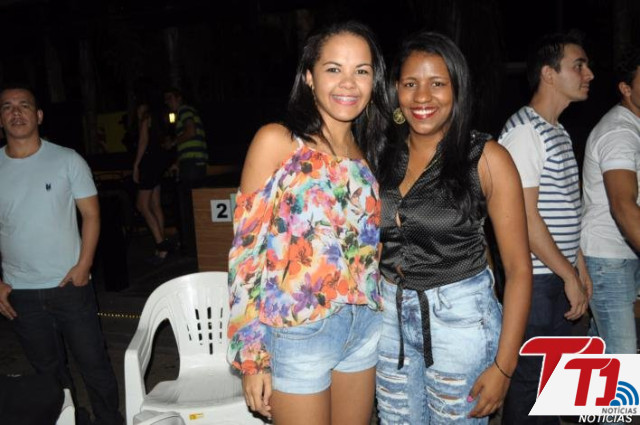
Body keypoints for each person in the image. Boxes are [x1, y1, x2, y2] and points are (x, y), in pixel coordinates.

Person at [227, 21, 389, 425]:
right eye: (334, 69)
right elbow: (245, 255)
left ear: (373, 82)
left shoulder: (370, 154)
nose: (348, 82)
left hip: (363, 325)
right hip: (299, 331)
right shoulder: (278, 142)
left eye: (361, 71)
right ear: (309, 77)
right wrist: (252, 358)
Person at [376, 31, 532, 424]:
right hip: (389, 321)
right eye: (410, 84)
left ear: (457, 89)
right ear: (396, 90)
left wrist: (504, 367)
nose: (422, 97)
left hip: (461, 323)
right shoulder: (381, 154)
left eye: (437, 83)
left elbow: (518, 270)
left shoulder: (488, 158)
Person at [0, 85, 123, 425]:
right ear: (1, 119)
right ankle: (70, 419)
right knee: (48, 373)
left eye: (24, 105)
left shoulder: (68, 159)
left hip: (70, 285)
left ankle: (108, 420)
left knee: (94, 363)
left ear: (38, 115)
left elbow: (92, 215)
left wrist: (84, 265)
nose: (16, 112)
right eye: (7, 106)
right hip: (20, 292)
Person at [498, 32, 594, 424]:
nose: (589, 74)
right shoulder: (525, 131)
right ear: (549, 74)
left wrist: (579, 268)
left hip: (558, 274)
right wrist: (568, 274)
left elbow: (566, 210)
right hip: (536, 279)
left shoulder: (557, 131)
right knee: (530, 381)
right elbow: (525, 217)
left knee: (555, 383)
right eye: (578, 65)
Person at [580, 48, 640, 356]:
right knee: (623, 356)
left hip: (625, 254)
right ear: (626, 89)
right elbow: (623, 206)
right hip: (608, 259)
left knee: (604, 347)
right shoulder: (619, 132)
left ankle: (575, 386)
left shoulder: (633, 128)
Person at [164, 87, 208, 257]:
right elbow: (188, 143)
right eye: (166, 99)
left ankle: (192, 247)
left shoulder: (184, 110)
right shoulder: (187, 112)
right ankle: (196, 244)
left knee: (188, 206)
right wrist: (177, 163)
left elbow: (191, 131)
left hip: (192, 164)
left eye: (170, 98)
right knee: (193, 204)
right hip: (193, 162)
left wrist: (173, 142)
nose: (167, 102)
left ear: (179, 98)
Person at [132, 100, 172, 264]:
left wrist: (136, 165)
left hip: (149, 163)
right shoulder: (159, 119)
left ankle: (161, 245)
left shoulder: (145, 119)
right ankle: (162, 246)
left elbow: (143, 142)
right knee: (155, 205)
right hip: (158, 163)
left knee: (142, 205)